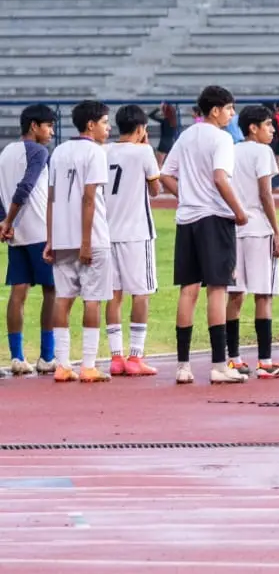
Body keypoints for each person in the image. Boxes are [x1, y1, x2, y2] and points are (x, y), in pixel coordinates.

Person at [160, 85, 250, 385]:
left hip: (187, 219)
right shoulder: (222, 138)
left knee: (188, 289)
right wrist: (239, 211)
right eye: (229, 108)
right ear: (215, 110)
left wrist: (186, 196)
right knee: (217, 288)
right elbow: (220, 178)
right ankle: (218, 365)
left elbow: (166, 174)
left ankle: (183, 366)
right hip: (214, 219)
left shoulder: (187, 135)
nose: (232, 114)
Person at [44, 101, 113, 382]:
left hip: (61, 236)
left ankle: (62, 364)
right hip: (92, 237)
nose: (108, 128)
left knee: (63, 298)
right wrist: (86, 242)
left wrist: (50, 239)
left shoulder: (59, 151)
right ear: (91, 124)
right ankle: (87, 365)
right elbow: (88, 198)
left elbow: (51, 198)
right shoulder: (95, 153)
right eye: (105, 122)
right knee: (93, 300)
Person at [225, 106, 279, 379]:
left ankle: (233, 359)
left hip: (233, 229)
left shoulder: (230, 150)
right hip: (257, 229)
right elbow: (266, 194)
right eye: (268, 125)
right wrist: (277, 231)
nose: (273, 130)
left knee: (235, 295)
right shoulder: (262, 152)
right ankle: (265, 362)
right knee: (263, 295)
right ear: (253, 128)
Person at [104, 105, 163, 377]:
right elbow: (156, 189)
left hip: (107, 232)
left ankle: (115, 357)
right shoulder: (144, 152)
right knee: (141, 293)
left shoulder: (103, 151)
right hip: (137, 233)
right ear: (140, 129)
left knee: (113, 294)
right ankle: (135, 356)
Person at [0, 104, 58, 376]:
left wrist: (4, 223)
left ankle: (16, 357)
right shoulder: (38, 151)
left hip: (16, 235)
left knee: (18, 292)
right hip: (38, 230)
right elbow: (26, 186)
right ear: (34, 126)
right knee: (51, 291)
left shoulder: (6, 152)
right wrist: (8, 221)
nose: (51, 132)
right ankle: (47, 356)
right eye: (48, 126)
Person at [151, 102, 179, 166]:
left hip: (163, 143)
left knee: (159, 164)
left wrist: (158, 108)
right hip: (171, 143)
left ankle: (160, 176)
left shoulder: (165, 121)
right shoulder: (174, 121)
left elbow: (151, 115)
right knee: (168, 165)